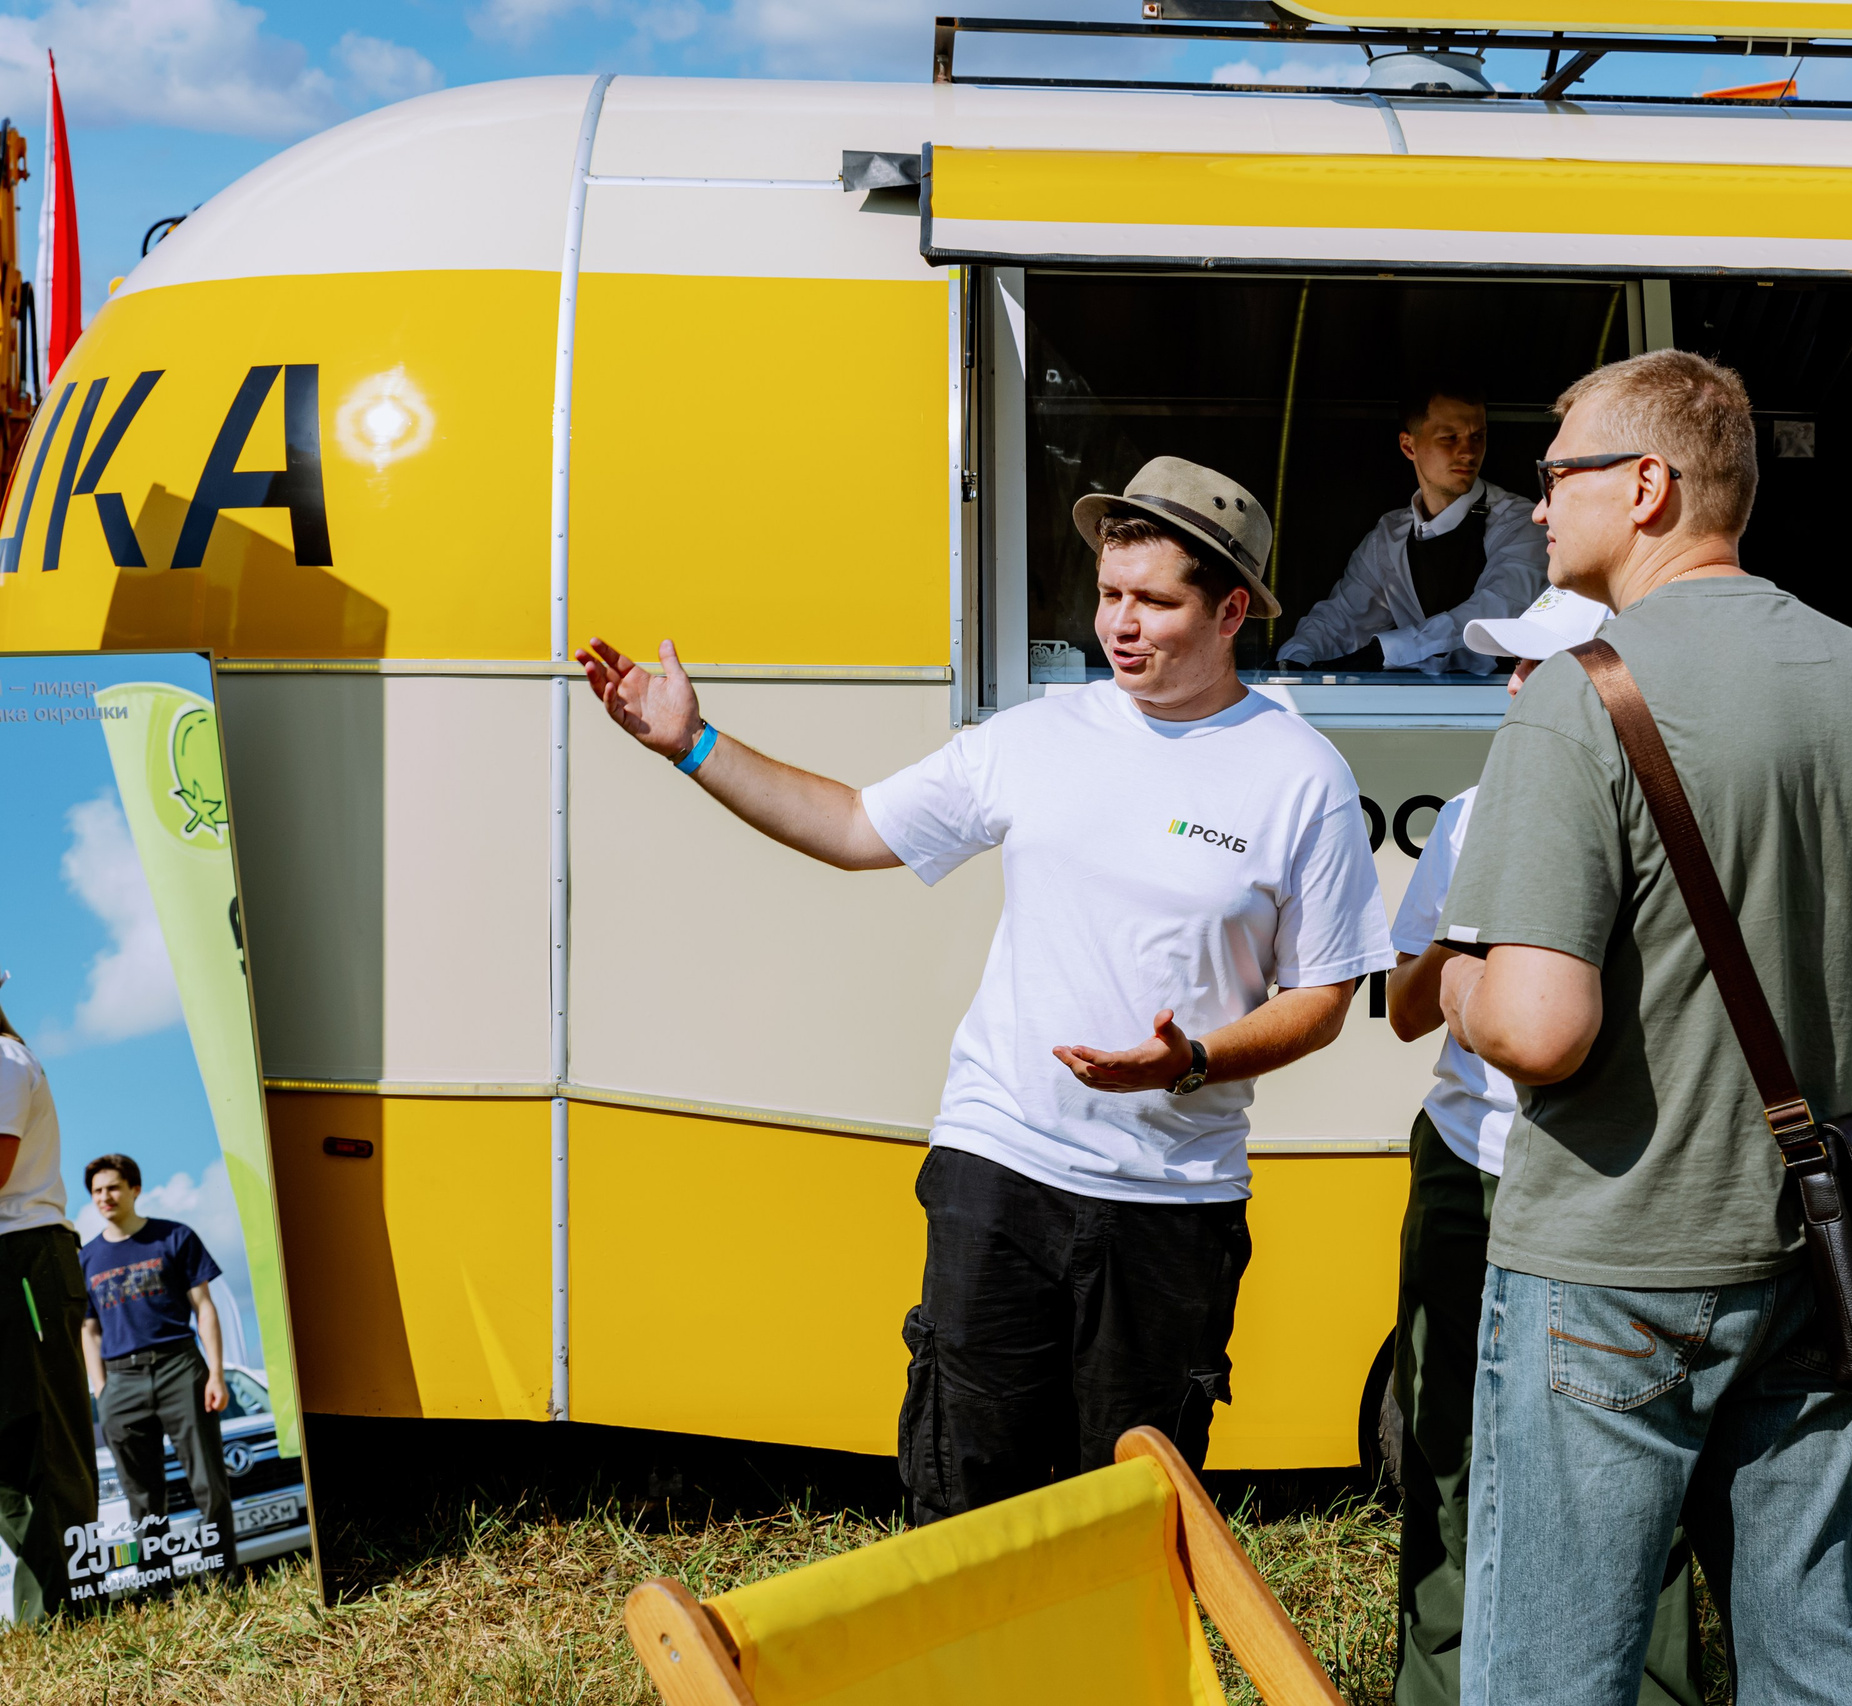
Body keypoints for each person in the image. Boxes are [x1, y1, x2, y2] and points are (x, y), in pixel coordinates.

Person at [577, 456, 1393, 1522]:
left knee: (1128, 1513)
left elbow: (1324, 996)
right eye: (1109, 594)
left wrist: (1191, 1058)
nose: (1121, 624)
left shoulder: (1300, 776)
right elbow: (854, 827)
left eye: (1155, 599)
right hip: (997, 1163)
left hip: (1170, 1199)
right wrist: (693, 743)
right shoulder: (1039, 737)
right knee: (961, 1491)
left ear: (1231, 607)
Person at [1433, 349, 1852, 1706]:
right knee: (1816, 1652)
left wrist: (1453, 985)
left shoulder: (1577, 693)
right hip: (1816, 1246)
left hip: (1615, 1259)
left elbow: (1538, 1029)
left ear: (1647, 485)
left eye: (1558, 476)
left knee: (1555, 1666)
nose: (1536, 506)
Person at [1389, 584, 1718, 1706]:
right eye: (1511, 669)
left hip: (1601, 1179)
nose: (1517, 688)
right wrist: (1465, 928)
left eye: (1541, 667)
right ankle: (1438, 1688)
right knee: (1445, 1457)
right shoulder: (1478, 807)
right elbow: (1400, 1006)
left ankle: (1653, 1688)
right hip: (1464, 1164)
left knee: (1629, 1473)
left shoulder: (1669, 800)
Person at [1276, 385, 1549, 676]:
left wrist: (1387, 650)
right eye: (1450, 438)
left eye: (1477, 437)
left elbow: (1495, 609)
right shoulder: (1388, 538)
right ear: (1409, 446)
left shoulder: (1520, 522)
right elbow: (1340, 619)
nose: (1468, 452)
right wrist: (1294, 659)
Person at [79, 1153, 235, 1571]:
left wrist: (215, 1373)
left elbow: (204, 1307)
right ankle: (157, 1586)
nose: (104, 1197)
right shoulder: (87, 1259)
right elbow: (88, 1330)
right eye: (96, 1191)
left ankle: (222, 1577)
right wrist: (101, 1389)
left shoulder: (175, 1237)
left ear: (134, 1189)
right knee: (141, 1495)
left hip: (179, 1367)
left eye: (112, 1187)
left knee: (208, 1482)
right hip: (120, 1380)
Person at [0, 981, 97, 1619]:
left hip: (26, 1257)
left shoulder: (5, 1060)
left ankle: (60, 1618)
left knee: (50, 1442)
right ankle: (50, 1611)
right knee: (9, 1456)